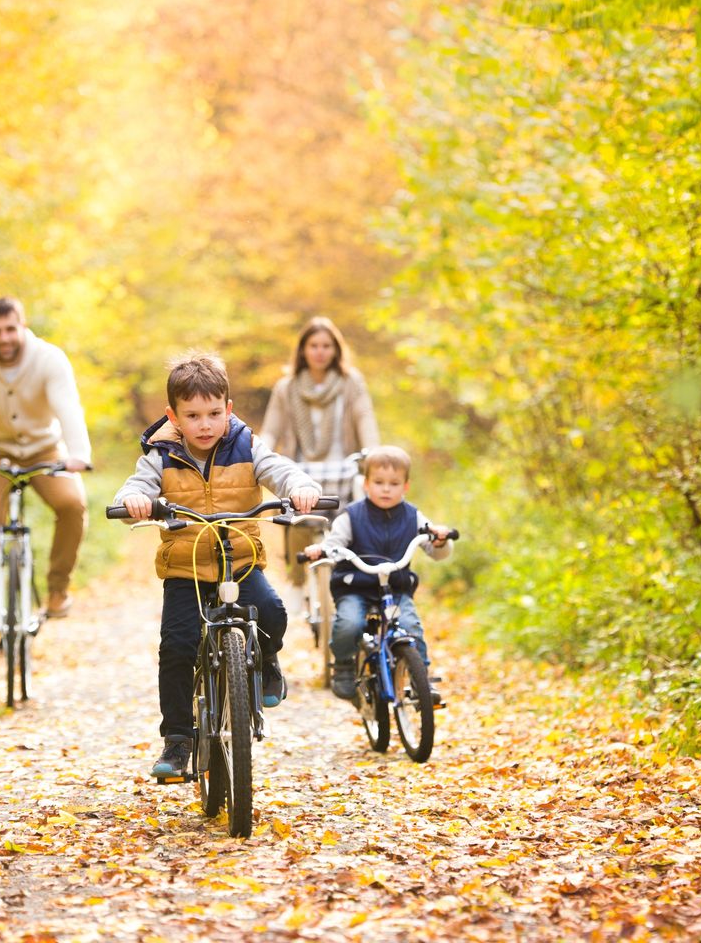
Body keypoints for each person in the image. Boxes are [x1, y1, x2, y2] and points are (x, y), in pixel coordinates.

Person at [114, 352, 321, 779]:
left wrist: (298, 485)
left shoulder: (246, 444)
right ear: (173, 416)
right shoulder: (161, 454)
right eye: (192, 415)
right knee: (176, 646)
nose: (204, 425)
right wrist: (133, 501)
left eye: (213, 413)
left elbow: (276, 468)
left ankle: (266, 662)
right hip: (185, 569)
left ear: (228, 410)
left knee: (273, 612)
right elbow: (138, 484)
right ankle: (177, 740)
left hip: (239, 562)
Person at [0, 296, 92, 657]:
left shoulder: (49, 358)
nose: (4, 338)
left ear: (22, 326)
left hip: (45, 450)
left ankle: (57, 590)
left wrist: (79, 454)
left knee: (72, 505)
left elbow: (68, 406)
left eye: (10, 329)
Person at [302, 445, 453, 701]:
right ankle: (343, 667)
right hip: (355, 587)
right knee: (349, 623)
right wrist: (322, 550)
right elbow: (334, 543)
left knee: (411, 626)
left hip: (395, 589)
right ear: (366, 484)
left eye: (394, 483)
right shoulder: (351, 516)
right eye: (379, 482)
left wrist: (439, 539)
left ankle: (421, 679)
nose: (386, 489)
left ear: (405, 486)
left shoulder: (413, 516)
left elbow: (434, 546)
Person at [260, 317, 380, 600]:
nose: (320, 351)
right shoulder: (286, 388)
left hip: (344, 468)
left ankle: (352, 582)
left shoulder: (351, 383)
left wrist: (373, 453)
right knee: (298, 521)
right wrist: (257, 453)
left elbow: (365, 420)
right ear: (303, 350)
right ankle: (298, 582)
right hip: (300, 470)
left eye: (327, 345)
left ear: (336, 350)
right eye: (314, 345)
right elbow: (270, 429)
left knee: (351, 524)